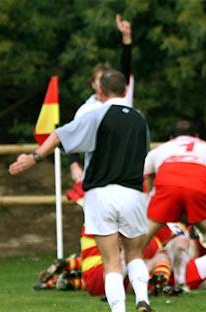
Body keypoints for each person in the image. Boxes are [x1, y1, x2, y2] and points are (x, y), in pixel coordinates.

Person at [9, 69, 157, 312]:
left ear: (100, 91)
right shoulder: (140, 119)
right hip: (133, 194)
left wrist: (33, 158)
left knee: (111, 262)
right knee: (135, 255)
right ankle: (142, 300)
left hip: (101, 194)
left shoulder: (97, 115)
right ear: (126, 90)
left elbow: (60, 135)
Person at [144, 121, 206, 299]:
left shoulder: (159, 150)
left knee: (140, 238)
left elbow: (144, 178)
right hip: (197, 186)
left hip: (167, 184)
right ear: (197, 136)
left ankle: (119, 283)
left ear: (171, 138)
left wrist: (147, 202)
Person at [68, 14, 134, 188]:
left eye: (107, 79)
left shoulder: (122, 100)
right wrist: (74, 165)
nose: (104, 83)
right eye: (100, 79)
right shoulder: (86, 110)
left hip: (125, 177)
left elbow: (125, 69)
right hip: (97, 178)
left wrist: (126, 37)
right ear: (92, 84)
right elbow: (70, 137)